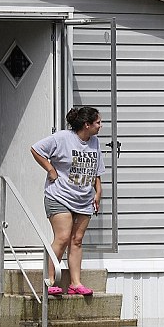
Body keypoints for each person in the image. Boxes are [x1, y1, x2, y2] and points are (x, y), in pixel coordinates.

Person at [30, 106, 105, 296]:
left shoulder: (95, 142)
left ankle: (75, 283)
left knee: (77, 240)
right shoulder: (63, 138)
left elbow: (96, 170)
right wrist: (50, 170)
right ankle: (50, 281)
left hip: (84, 199)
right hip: (59, 196)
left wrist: (98, 192)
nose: (100, 126)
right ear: (87, 125)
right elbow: (36, 149)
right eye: (98, 122)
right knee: (62, 238)